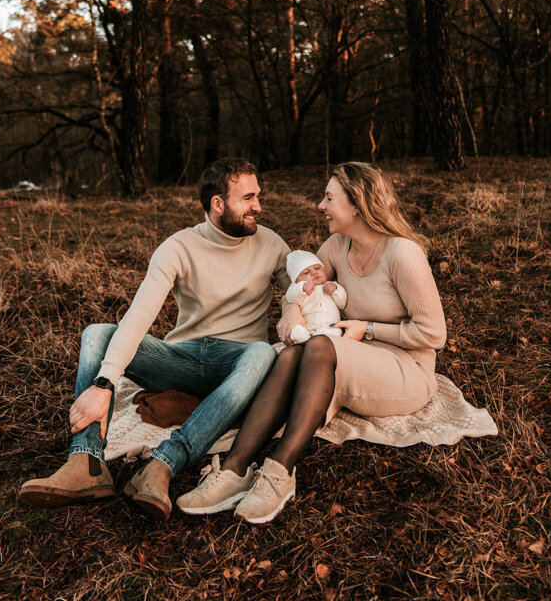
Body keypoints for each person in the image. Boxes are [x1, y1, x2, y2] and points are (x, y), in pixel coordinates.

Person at [19, 157, 290, 521]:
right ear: (218, 204)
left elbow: (302, 293)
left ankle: (164, 464)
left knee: (262, 352)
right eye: (249, 198)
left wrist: (297, 308)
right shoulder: (177, 247)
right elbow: (139, 316)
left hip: (239, 367)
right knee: (97, 333)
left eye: (257, 196)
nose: (258, 206)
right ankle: (87, 462)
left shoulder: (271, 243)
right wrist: (104, 382)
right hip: (180, 360)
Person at [177, 161, 446, 524]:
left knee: (317, 347)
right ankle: (235, 468)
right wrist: (291, 312)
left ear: (357, 204)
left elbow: (434, 334)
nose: (320, 206)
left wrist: (366, 328)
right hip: (349, 351)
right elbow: (302, 286)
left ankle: (279, 472)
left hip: (405, 367)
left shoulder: (402, 253)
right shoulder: (337, 246)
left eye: (329, 198)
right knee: (291, 355)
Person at [283, 249, 348, 343]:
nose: (314, 273)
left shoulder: (331, 285)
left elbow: (342, 303)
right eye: (306, 272)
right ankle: (302, 338)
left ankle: (323, 336)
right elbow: (290, 298)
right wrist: (301, 288)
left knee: (333, 331)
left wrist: (336, 290)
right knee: (298, 331)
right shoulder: (298, 290)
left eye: (317, 268)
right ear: (296, 280)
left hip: (329, 326)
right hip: (307, 328)